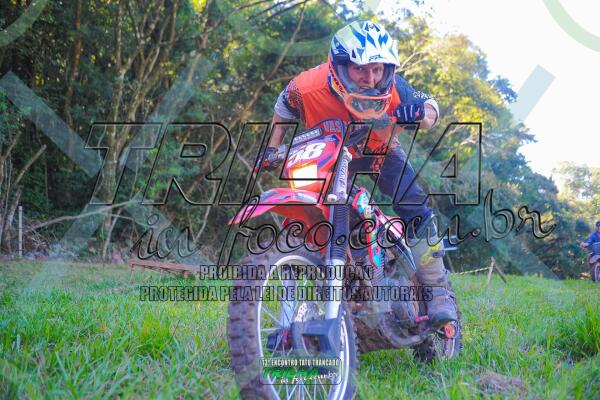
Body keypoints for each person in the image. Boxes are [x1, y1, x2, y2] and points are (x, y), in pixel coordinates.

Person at [264, 20, 456, 327]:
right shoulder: (307, 85)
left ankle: (437, 291)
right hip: (328, 151)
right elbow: (284, 105)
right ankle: (338, 279)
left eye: (377, 69)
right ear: (340, 66)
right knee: (314, 207)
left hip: (381, 152)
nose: (371, 78)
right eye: (360, 69)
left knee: (414, 207)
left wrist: (421, 114)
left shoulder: (395, 87)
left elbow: (431, 109)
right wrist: (272, 148)